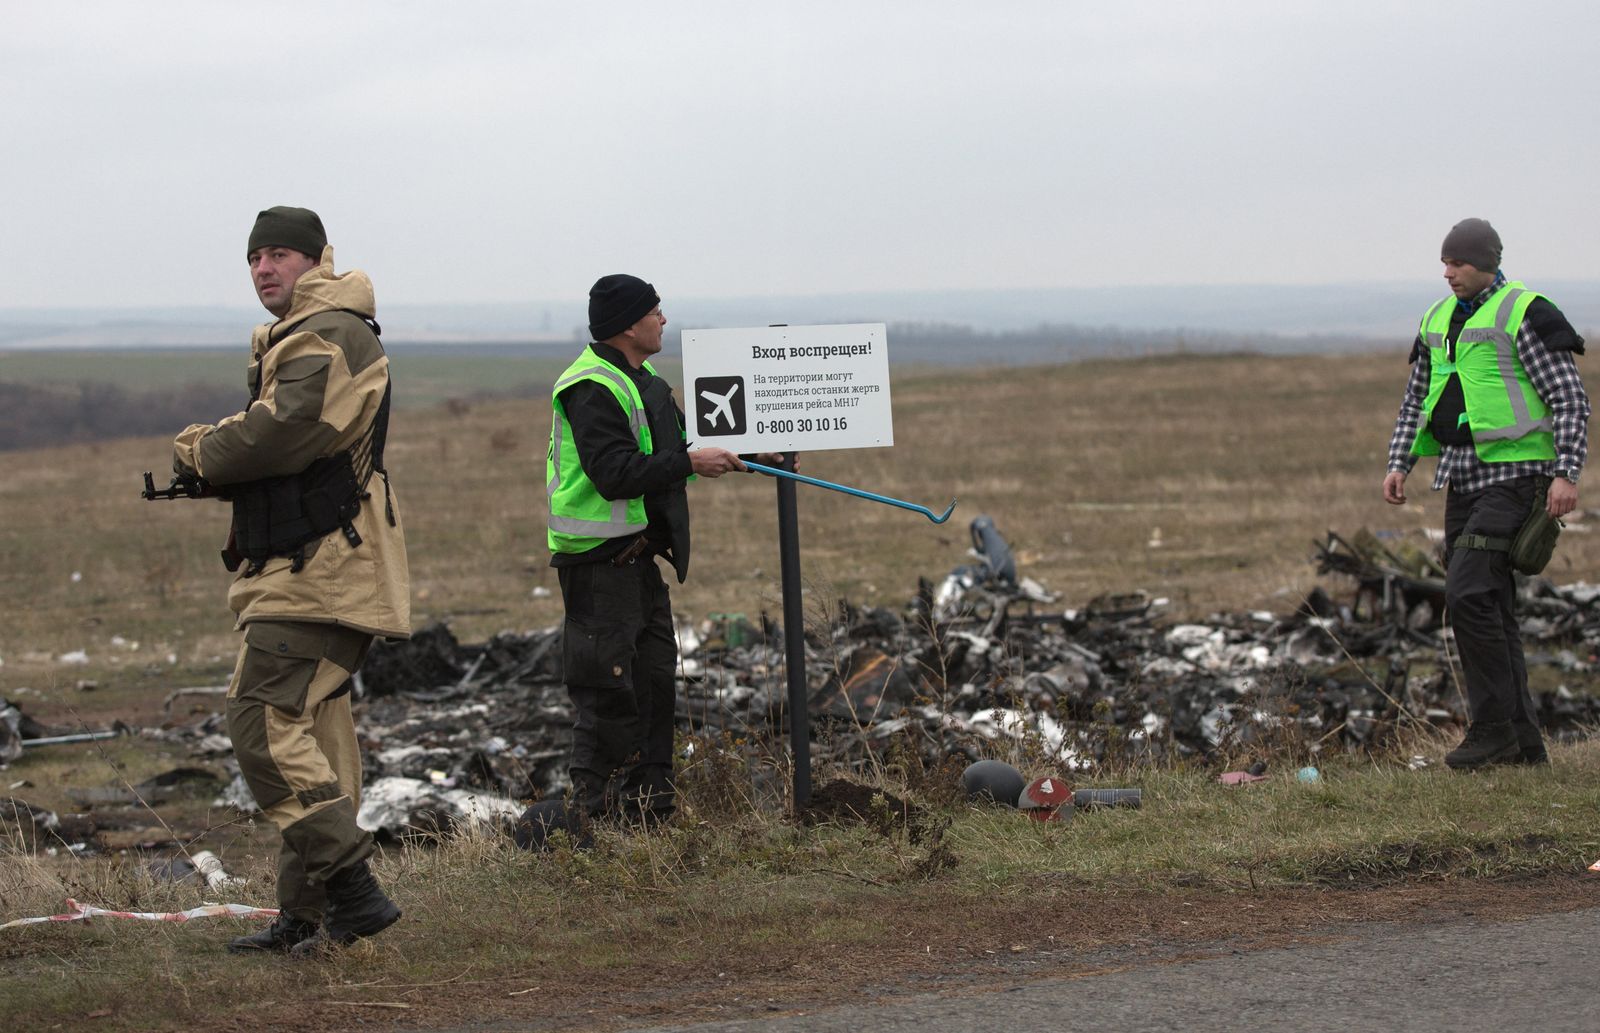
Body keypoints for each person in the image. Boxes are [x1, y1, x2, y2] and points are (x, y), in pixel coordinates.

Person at [171, 206, 410, 953]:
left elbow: (287, 429)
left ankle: (352, 885)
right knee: (319, 737)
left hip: (323, 573)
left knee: (261, 724)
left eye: (279, 254)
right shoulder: (302, 333)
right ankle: (308, 917)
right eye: (254, 258)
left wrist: (203, 452)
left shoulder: (330, 332)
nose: (264, 268)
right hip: (306, 567)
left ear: (316, 260)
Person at [543, 274, 775, 830]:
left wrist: (740, 452)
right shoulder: (591, 386)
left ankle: (650, 820)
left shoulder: (641, 379)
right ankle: (588, 832)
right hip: (598, 568)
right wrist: (690, 465)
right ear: (629, 323)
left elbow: (671, 452)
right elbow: (614, 473)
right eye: (655, 311)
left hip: (639, 564)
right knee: (607, 694)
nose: (664, 320)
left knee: (652, 690)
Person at [1383, 218, 1589, 769]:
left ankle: (1492, 727)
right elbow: (1417, 397)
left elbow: (1570, 399)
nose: (1449, 273)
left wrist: (1566, 473)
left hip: (1519, 476)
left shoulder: (1526, 312)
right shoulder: (1436, 317)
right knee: (1492, 606)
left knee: (1470, 592)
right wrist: (1400, 460)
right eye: (1445, 263)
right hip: (1462, 477)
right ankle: (1523, 746)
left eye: (1460, 263)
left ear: (1488, 262)